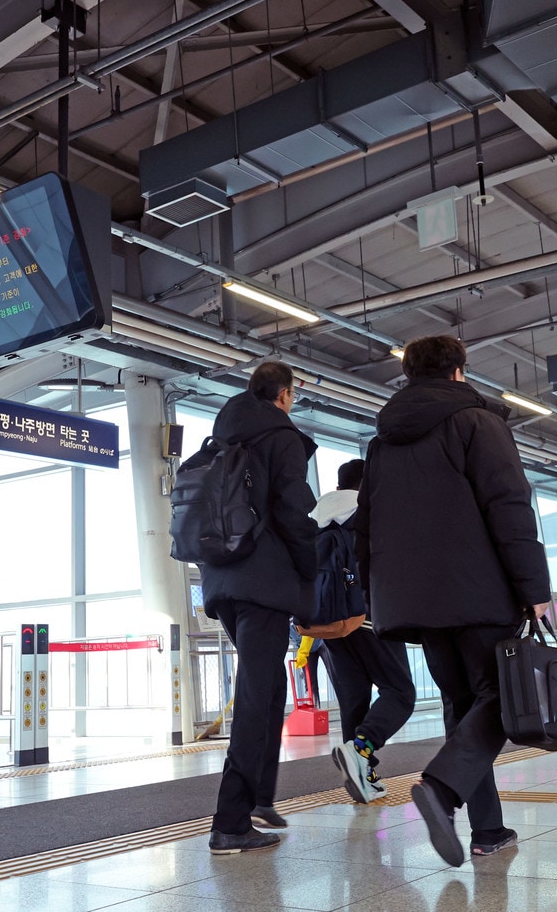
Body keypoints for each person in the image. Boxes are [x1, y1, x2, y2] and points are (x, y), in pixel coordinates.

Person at [353, 335, 552, 867]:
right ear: (459, 371)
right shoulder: (477, 421)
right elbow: (508, 506)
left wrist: (377, 596)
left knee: (463, 705)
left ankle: (488, 829)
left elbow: (365, 527)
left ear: (409, 374)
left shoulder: (382, 443)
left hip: (414, 600)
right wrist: (533, 588)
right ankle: (441, 790)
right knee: (501, 698)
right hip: (478, 589)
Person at [198, 362, 318, 855]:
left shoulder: (221, 438)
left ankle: (259, 799)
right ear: (284, 394)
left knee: (266, 689)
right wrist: (310, 571)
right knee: (254, 696)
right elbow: (293, 511)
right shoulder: (281, 437)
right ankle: (230, 822)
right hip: (263, 582)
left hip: (222, 580)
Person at [314, 459, 416, 804]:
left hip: (330, 624)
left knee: (353, 700)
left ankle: (363, 777)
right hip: (371, 616)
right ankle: (361, 749)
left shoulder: (316, 519)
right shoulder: (370, 514)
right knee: (400, 692)